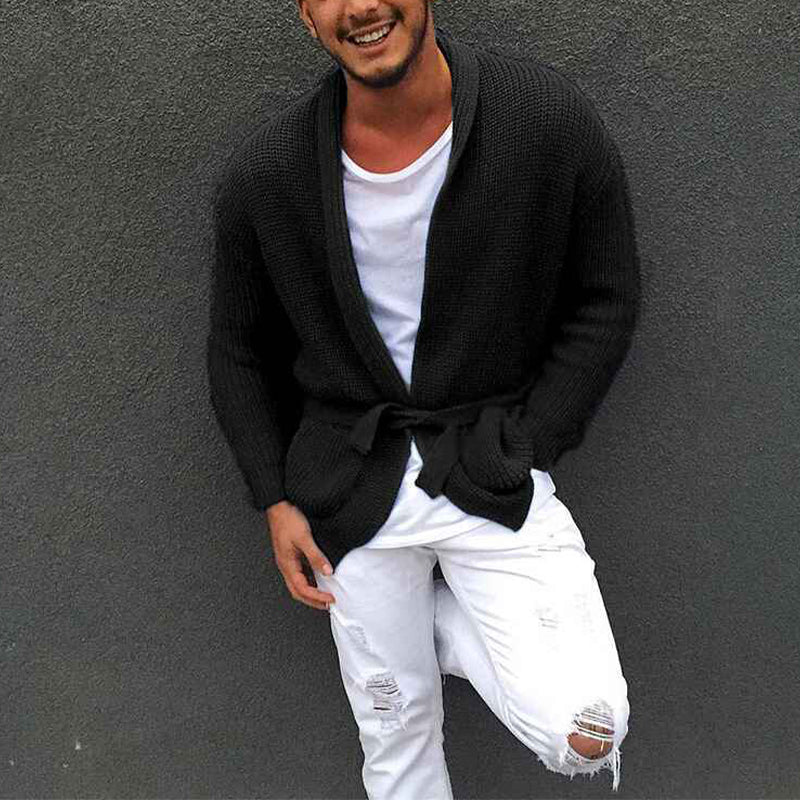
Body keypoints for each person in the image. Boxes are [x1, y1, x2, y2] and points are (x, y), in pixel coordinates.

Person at [207, 1, 641, 797]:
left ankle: (433, 631)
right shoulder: (266, 173)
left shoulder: (541, 119)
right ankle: (394, 636)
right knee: (396, 739)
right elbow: (238, 350)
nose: (362, 6)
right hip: (348, 494)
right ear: (305, 15)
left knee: (588, 730)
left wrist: (533, 441)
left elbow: (606, 295)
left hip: (492, 475)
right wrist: (273, 497)